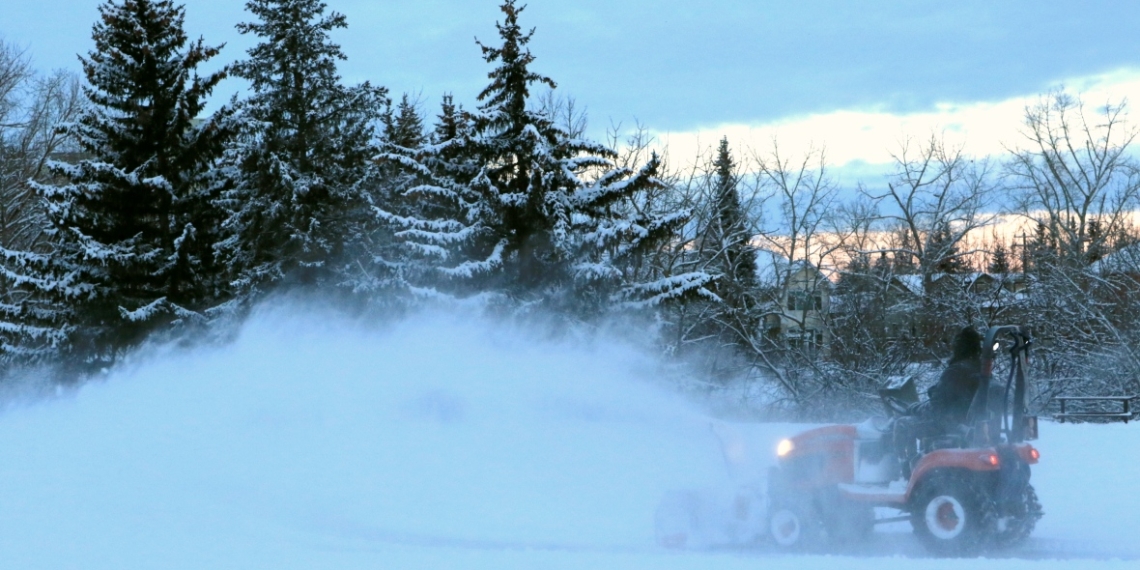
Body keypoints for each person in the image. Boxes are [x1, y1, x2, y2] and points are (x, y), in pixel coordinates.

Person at [891, 326, 984, 475]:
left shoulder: (955, 371)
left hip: (948, 422)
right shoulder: (980, 369)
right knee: (914, 413)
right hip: (966, 420)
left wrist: (915, 408)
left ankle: (906, 470)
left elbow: (937, 406)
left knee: (902, 424)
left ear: (959, 347)